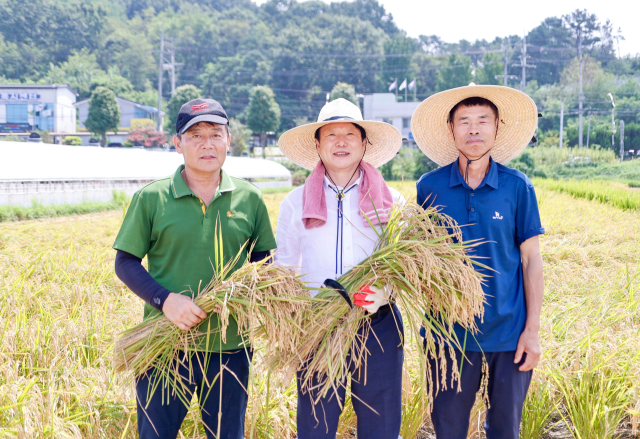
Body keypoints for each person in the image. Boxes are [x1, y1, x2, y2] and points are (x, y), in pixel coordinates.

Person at [113, 99, 276, 439]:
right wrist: (165, 301)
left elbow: (265, 264)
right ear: (177, 143)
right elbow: (125, 262)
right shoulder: (152, 198)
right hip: (164, 347)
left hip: (229, 348)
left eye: (216, 134)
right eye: (195, 135)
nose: (207, 144)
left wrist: (244, 295)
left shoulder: (250, 198)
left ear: (229, 140)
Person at [411, 84, 545, 439]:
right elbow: (418, 258)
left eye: (483, 120)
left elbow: (531, 259)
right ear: (451, 129)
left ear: (497, 127)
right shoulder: (430, 187)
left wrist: (531, 332)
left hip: (508, 332)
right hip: (447, 334)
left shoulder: (518, 187)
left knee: (505, 429)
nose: (474, 129)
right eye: (464, 121)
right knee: (448, 428)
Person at [275, 98, 405, 439]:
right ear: (317, 144)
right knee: (316, 425)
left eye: (350, 133)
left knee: (381, 425)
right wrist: (297, 316)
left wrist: (385, 294)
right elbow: (285, 267)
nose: (341, 141)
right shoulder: (295, 202)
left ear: (365, 143)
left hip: (377, 323)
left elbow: (407, 267)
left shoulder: (393, 201)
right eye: (331, 134)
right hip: (317, 324)